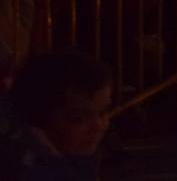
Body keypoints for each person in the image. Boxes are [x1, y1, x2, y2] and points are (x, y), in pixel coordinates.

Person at [0, 50, 111, 181]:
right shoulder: (30, 169)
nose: (97, 126)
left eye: (103, 112)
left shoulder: (76, 152)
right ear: (40, 118)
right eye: (78, 119)